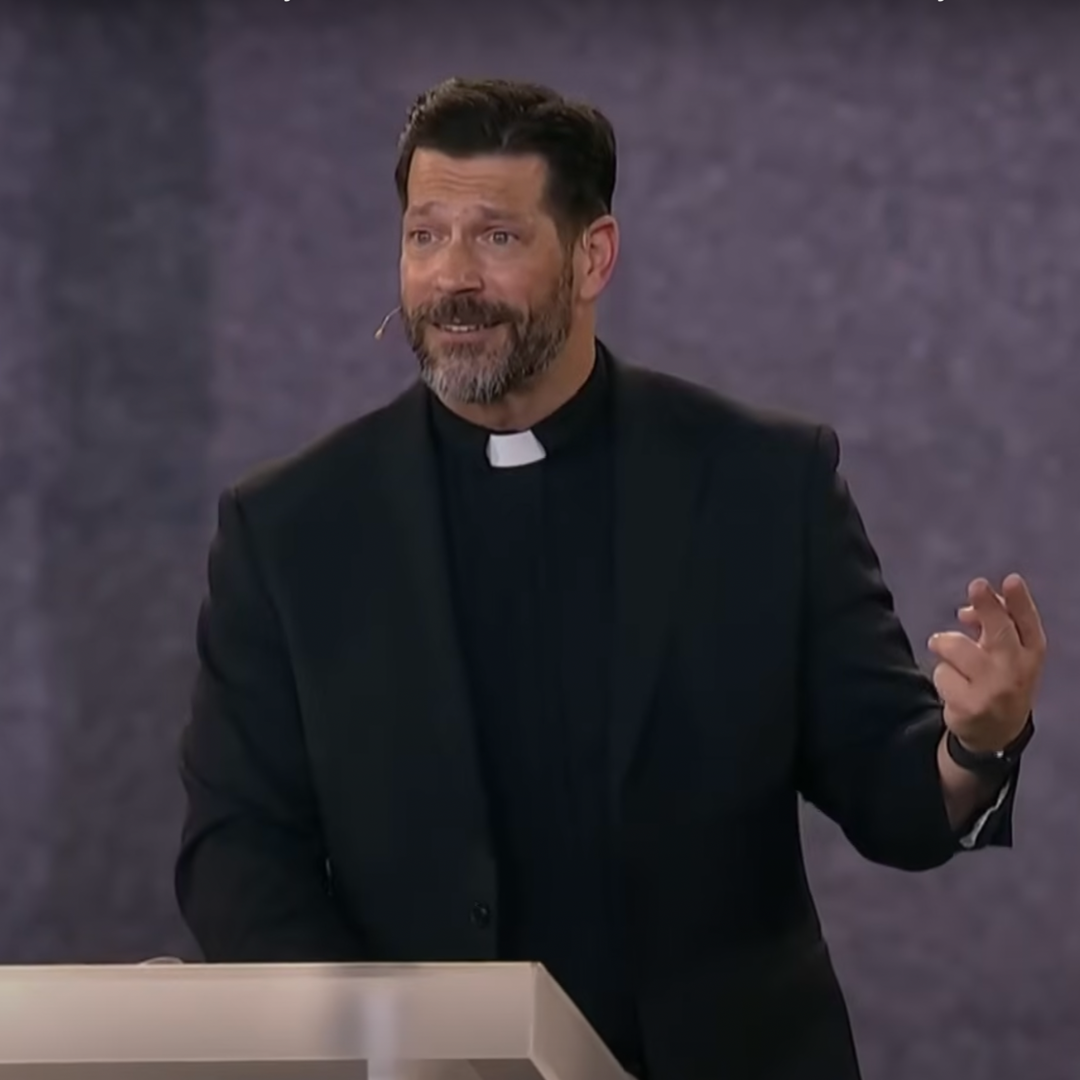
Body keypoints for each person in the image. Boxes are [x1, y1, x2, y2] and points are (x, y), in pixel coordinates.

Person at [175, 78, 1047, 1080]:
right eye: (426, 236)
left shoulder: (762, 483)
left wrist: (977, 743)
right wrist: (382, 1052)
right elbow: (237, 851)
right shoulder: (292, 528)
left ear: (592, 256)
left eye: (497, 237)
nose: (452, 277)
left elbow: (889, 790)